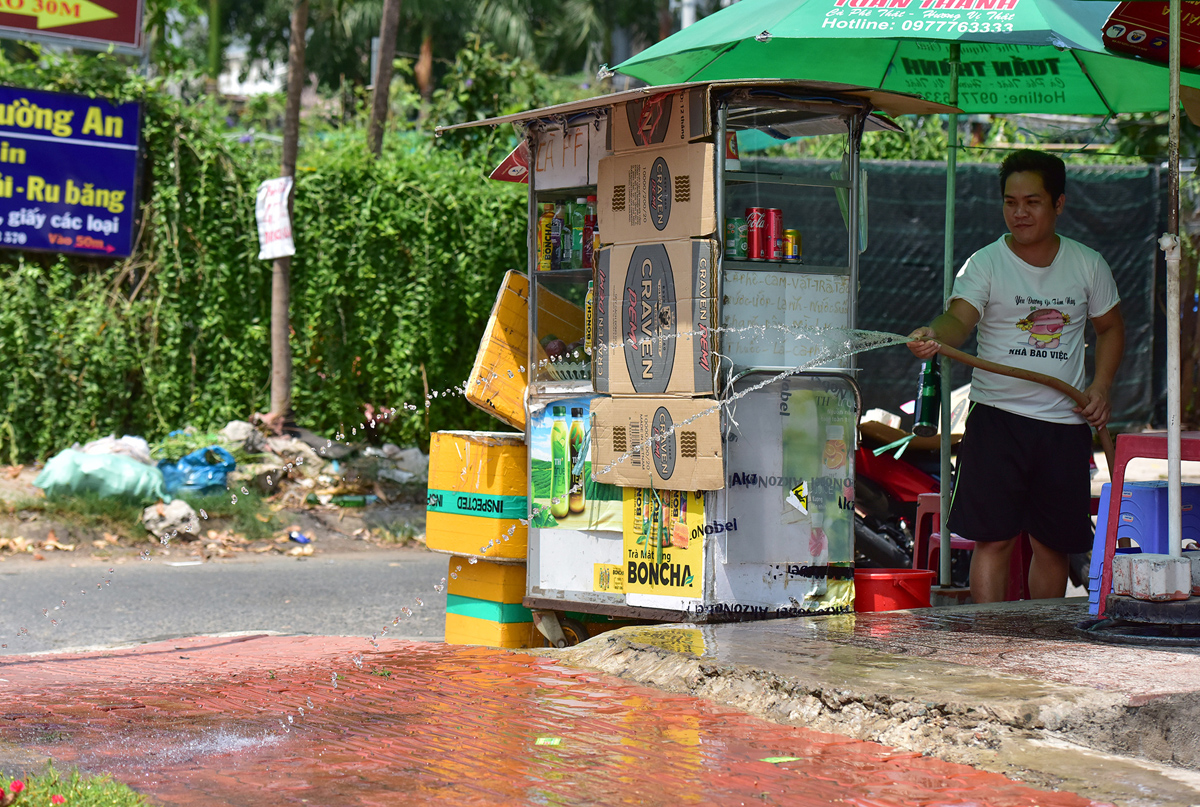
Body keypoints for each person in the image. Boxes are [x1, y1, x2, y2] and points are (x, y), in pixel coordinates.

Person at [908, 150, 1124, 603]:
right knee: (995, 539)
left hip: (1063, 424)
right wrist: (933, 334)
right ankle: (990, 643)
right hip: (996, 420)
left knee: (1052, 543)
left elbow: (1110, 329)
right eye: (1010, 202)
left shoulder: (1088, 264)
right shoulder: (985, 263)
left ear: (1059, 204)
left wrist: (1100, 387)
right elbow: (958, 320)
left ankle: (1042, 641)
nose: (1019, 213)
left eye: (1033, 202)